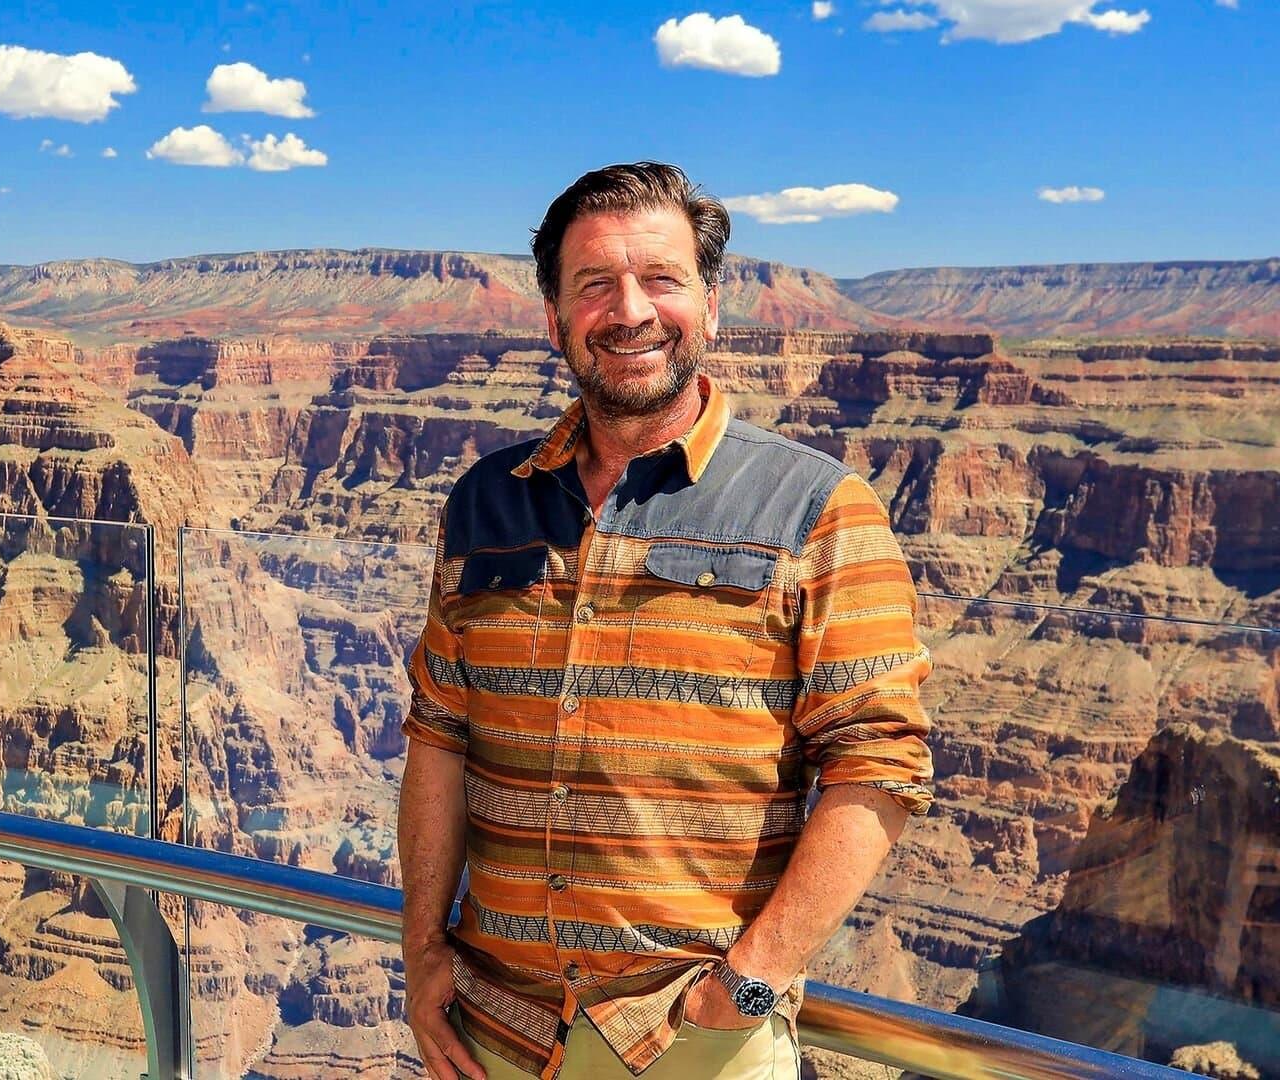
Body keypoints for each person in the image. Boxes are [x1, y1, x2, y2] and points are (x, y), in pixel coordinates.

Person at [398, 162, 934, 1080]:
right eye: (594, 284)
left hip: (688, 1041)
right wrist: (420, 956)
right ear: (555, 317)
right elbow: (440, 737)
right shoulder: (488, 502)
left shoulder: (818, 508)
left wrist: (748, 984)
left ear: (711, 305)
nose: (629, 310)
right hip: (492, 1028)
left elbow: (880, 765)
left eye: (661, 279)